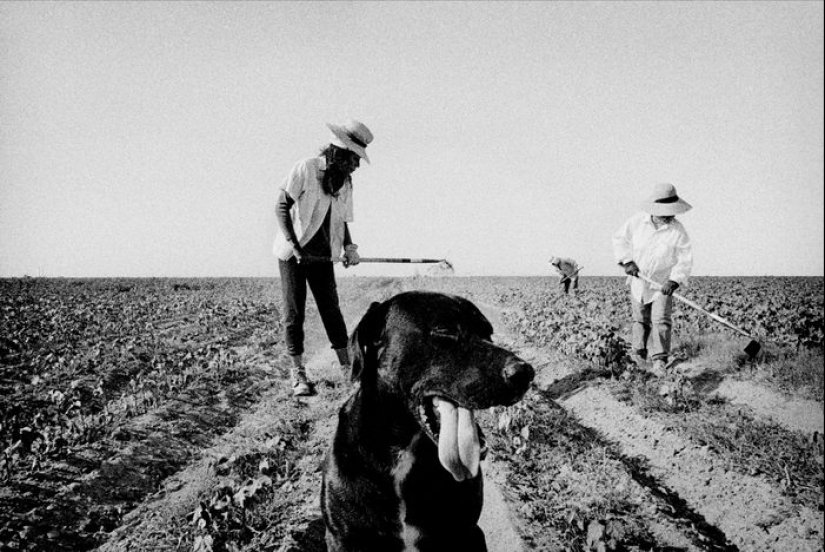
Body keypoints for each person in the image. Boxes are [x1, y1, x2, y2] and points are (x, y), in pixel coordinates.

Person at [272, 120, 373, 396]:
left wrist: (349, 248)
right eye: (354, 158)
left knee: (331, 311)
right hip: (293, 255)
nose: (357, 165)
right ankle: (298, 373)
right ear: (340, 152)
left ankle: (346, 368)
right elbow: (281, 206)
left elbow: (342, 219)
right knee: (294, 313)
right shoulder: (306, 168)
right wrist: (295, 248)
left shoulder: (345, 183)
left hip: (323, 257)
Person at [612, 183, 693, 377]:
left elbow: (685, 258)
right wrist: (627, 261)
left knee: (661, 320)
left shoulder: (678, 231)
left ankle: (659, 360)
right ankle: (638, 355)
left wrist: (674, 281)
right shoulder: (636, 222)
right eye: (665, 211)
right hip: (639, 281)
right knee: (640, 320)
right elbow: (619, 240)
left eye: (672, 211)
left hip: (662, 284)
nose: (670, 215)